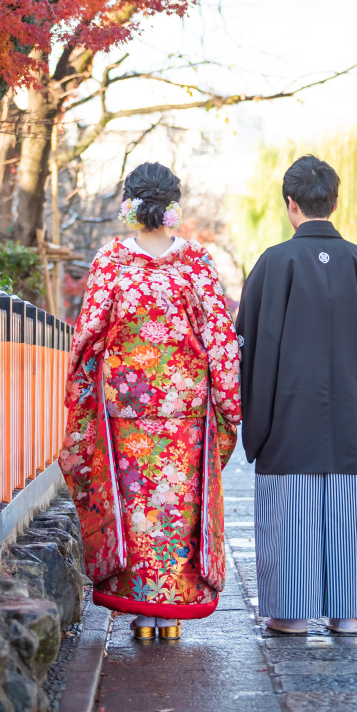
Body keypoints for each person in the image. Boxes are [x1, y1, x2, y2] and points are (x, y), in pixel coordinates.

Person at [59, 162, 241, 642]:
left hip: (127, 405)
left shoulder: (111, 259)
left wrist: (80, 389)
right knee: (178, 505)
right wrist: (228, 404)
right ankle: (173, 611)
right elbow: (219, 337)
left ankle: (141, 611)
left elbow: (89, 337)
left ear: (129, 203)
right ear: (174, 204)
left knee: (136, 503)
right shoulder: (197, 261)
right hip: (186, 406)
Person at [236, 155, 357, 637]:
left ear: (291, 205)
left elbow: (250, 350)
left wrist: (255, 423)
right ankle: (346, 613)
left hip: (288, 422)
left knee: (291, 516)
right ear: (334, 202)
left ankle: (290, 613)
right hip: (353, 424)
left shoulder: (273, 263)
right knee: (351, 514)